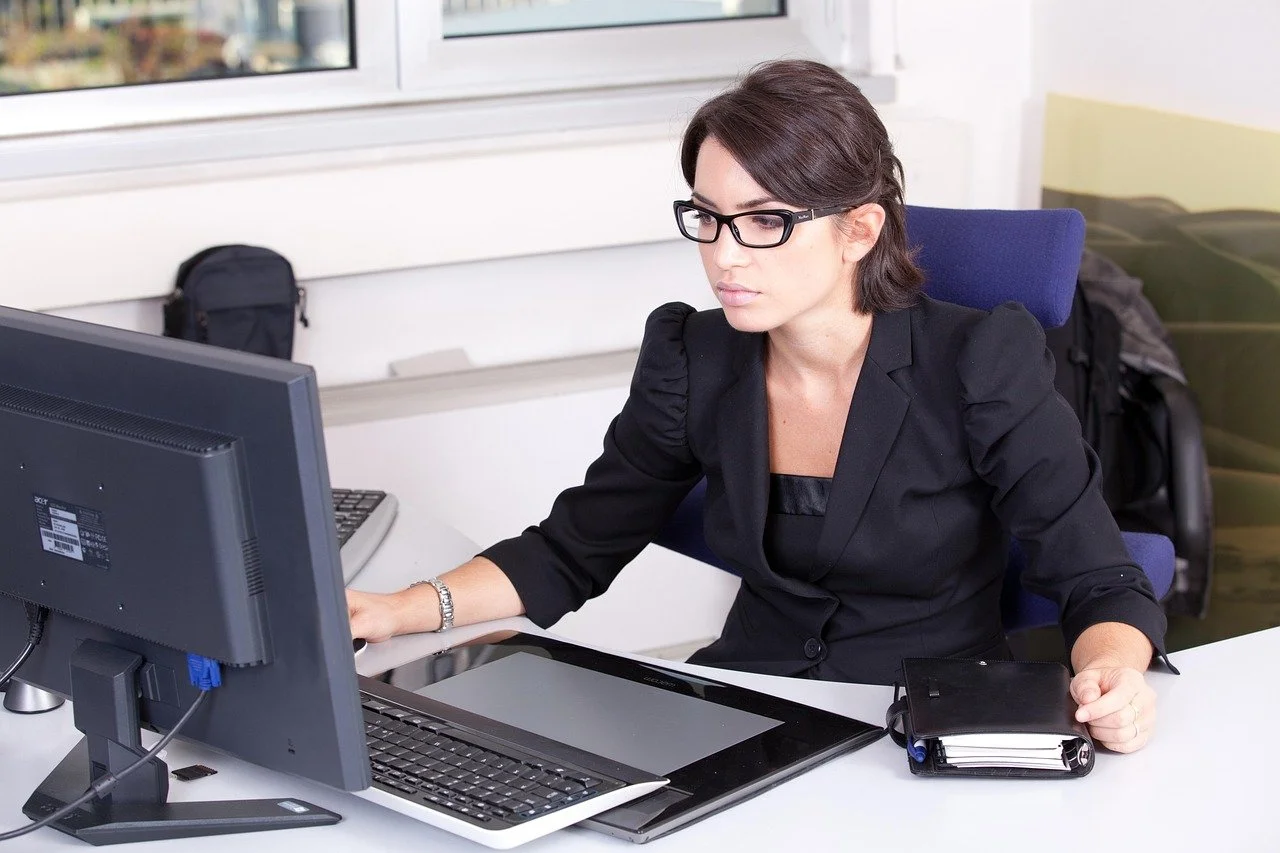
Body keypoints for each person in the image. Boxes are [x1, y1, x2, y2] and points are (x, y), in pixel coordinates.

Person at [348, 59, 1166, 754]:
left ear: (859, 229)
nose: (723, 255)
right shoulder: (695, 356)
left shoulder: (978, 361)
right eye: (708, 217)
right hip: (747, 709)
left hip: (917, 724)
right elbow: (573, 549)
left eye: (765, 222)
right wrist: (399, 609)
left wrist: (1116, 675)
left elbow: (1102, 578)